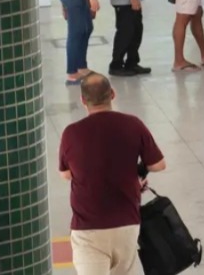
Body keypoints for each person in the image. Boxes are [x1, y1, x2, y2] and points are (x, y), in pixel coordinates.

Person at [59, 73, 166, 275]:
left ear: (82, 100)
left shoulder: (71, 133)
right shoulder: (133, 124)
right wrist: (138, 171)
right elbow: (158, 164)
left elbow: (65, 174)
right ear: (112, 94)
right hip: (127, 223)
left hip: (88, 227)